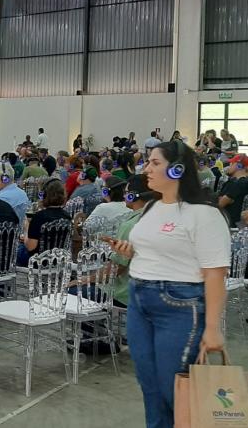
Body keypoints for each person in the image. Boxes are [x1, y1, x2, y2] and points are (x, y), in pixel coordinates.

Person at [109, 140, 229, 427]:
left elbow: (215, 273)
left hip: (179, 306)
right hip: (139, 301)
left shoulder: (204, 214)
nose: (146, 168)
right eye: (147, 162)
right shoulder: (151, 207)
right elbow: (154, 249)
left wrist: (212, 329)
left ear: (177, 170)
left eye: (154, 163)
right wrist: (130, 250)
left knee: (173, 388)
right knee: (149, 387)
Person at [108, 175, 160, 308]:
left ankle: (99, 327)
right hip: (155, 293)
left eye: (126, 193)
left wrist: (84, 279)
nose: (124, 196)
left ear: (133, 196)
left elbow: (117, 268)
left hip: (125, 294)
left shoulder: (130, 225)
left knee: (75, 290)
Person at [17, 179, 71, 266]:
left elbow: (30, 247)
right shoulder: (67, 216)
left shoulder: (39, 217)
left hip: (37, 263)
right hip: (59, 262)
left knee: (16, 249)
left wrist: (27, 228)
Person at [217, 154, 248, 227]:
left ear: (239, 166)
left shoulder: (238, 184)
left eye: (232, 164)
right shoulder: (238, 182)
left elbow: (220, 204)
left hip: (230, 226)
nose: (229, 166)